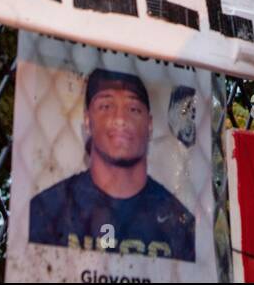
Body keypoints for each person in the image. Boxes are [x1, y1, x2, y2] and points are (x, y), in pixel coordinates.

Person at [28, 68, 195, 260]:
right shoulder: (45, 210)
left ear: (149, 124)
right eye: (106, 107)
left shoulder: (180, 223)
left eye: (133, 109)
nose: (120, 119)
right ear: (88, 120)